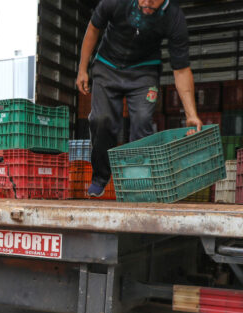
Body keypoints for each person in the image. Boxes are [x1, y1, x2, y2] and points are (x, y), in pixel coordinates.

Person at [76, 0, 203, 197]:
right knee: (102, 120)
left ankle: (136, 182)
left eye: (153, 1)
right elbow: (93, 29)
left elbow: (181, 69)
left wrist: (191, 114)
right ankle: (100, 176)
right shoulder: (115, 2)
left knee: (143, 120)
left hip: (144, 72)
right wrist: (82, 69)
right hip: (107, 65)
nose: (146, 3)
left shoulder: (174, 17)